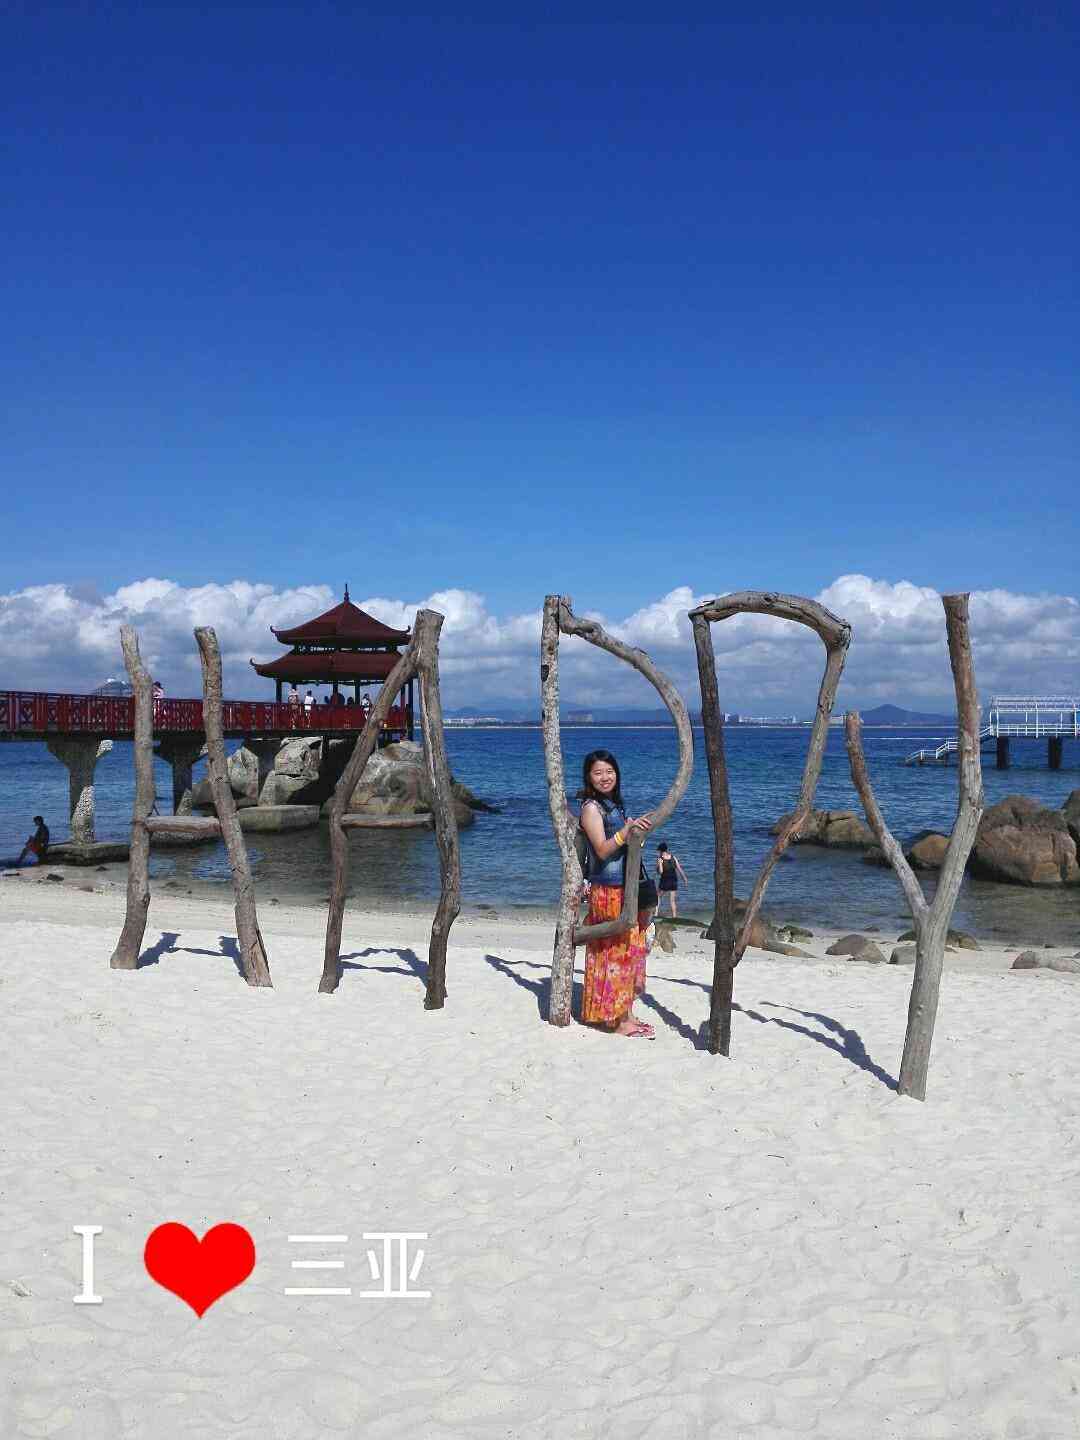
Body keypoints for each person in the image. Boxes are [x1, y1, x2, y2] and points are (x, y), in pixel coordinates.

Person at [577, 750, 654, 1038]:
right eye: (598, 772)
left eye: (609, 771)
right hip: (608, 889)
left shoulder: (613, 804)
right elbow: (602, 849)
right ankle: (619, 1021)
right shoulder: (591, 808)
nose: (605, 777)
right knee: (615, 953)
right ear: (588, 777)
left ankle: (625, 1014)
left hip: (624, 886)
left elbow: (622, 843)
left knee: (628, 950)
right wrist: (625, 831)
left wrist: (635, 831)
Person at [655, 841, 688, 918]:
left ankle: (656, 914)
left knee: (657, 897)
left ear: (660, 851)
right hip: (674, 880)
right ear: (666, 849)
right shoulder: (673, 857)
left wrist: (659, 865)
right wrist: (684, 878)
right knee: (672, 900)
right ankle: (674, 917)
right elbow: (679, 869)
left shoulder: (660, 859)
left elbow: (661, 872)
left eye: (659, 851)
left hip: (665, 881)